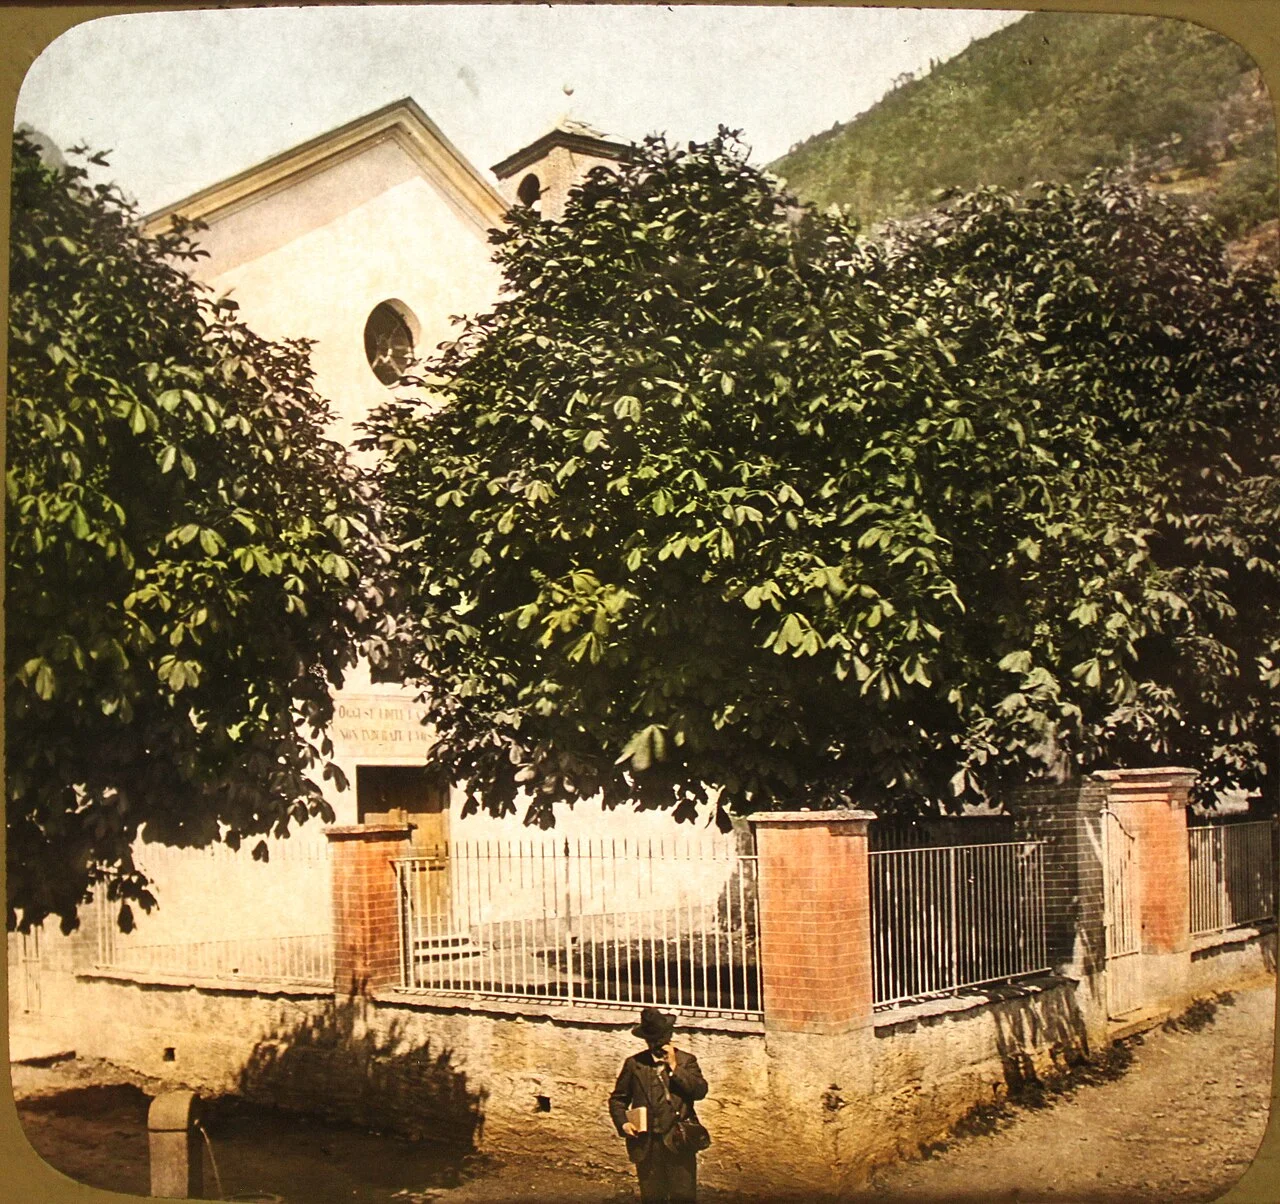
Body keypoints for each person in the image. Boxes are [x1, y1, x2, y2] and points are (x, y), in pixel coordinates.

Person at [608, 1007, 709, 1204]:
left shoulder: (686, 1061)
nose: (657, 1044)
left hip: (678, 1141)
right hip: (646, 1145)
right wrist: (623, 1124)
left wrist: (674, 1067)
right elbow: (618, 1099)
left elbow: (700, 1092)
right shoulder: (634, 1064)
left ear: (670, 1036)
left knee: (683, 1197)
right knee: (652, 1197)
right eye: (652, 1040)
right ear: (646, 1040)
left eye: (661, 1039)